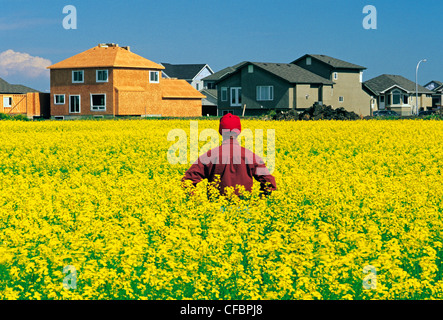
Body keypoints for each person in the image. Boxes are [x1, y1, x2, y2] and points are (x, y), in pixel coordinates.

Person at [182, 113, 277, 198]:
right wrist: (259, 201)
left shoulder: (210, 156)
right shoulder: (250, 156)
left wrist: (197, 202)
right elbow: (269, 182)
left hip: (216, 211)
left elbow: (187, 181)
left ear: (220, 131)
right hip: (245, 210)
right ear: (239, 131)